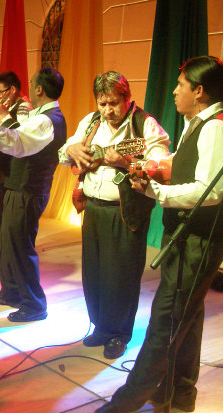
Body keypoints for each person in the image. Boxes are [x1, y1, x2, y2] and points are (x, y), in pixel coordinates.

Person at [95, 56, 223, 413]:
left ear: (198, 91)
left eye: (180, 85)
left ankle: (125, 404)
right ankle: (177, 395)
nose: (173, 90)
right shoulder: (198, 122)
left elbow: (211, 190)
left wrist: (157, 193)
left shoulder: (215, 126)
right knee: (188, 318)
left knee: (165, 323)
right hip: (187, 238)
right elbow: (183, 162)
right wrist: (151, 167)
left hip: (197, 242)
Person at [59, 71, 170, 358]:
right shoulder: (92, 121)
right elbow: (63, 154)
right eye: (102, 103)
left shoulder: (145, 125)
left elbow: (159, 166)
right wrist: (71, 147)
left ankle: (119, 333)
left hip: (126, 211)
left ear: (127, 97)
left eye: (114, 103)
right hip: (94, 208)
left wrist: (125, 161)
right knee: (94, 273)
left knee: (121, 275)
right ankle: (101, 326)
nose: (108, 110)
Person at [0, 67, 66, 322]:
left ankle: (34, 305)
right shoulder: (39, 116)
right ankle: (13, 291)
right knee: (8, 242)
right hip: (17, 185)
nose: (29, 87)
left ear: (39, 89)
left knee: (20, 246)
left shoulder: (48, 120)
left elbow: (15, 143)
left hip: (29, 189)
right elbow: (16, 136)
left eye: (31, 82)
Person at [0, 71, 34, 263]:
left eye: (2, 92)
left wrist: (4, 114)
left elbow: (21, 134)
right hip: (2, 166)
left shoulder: (24, 107)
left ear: (13, 90)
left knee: (7, 209)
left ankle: (8, 248)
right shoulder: (7, 106)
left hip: (14, 168)